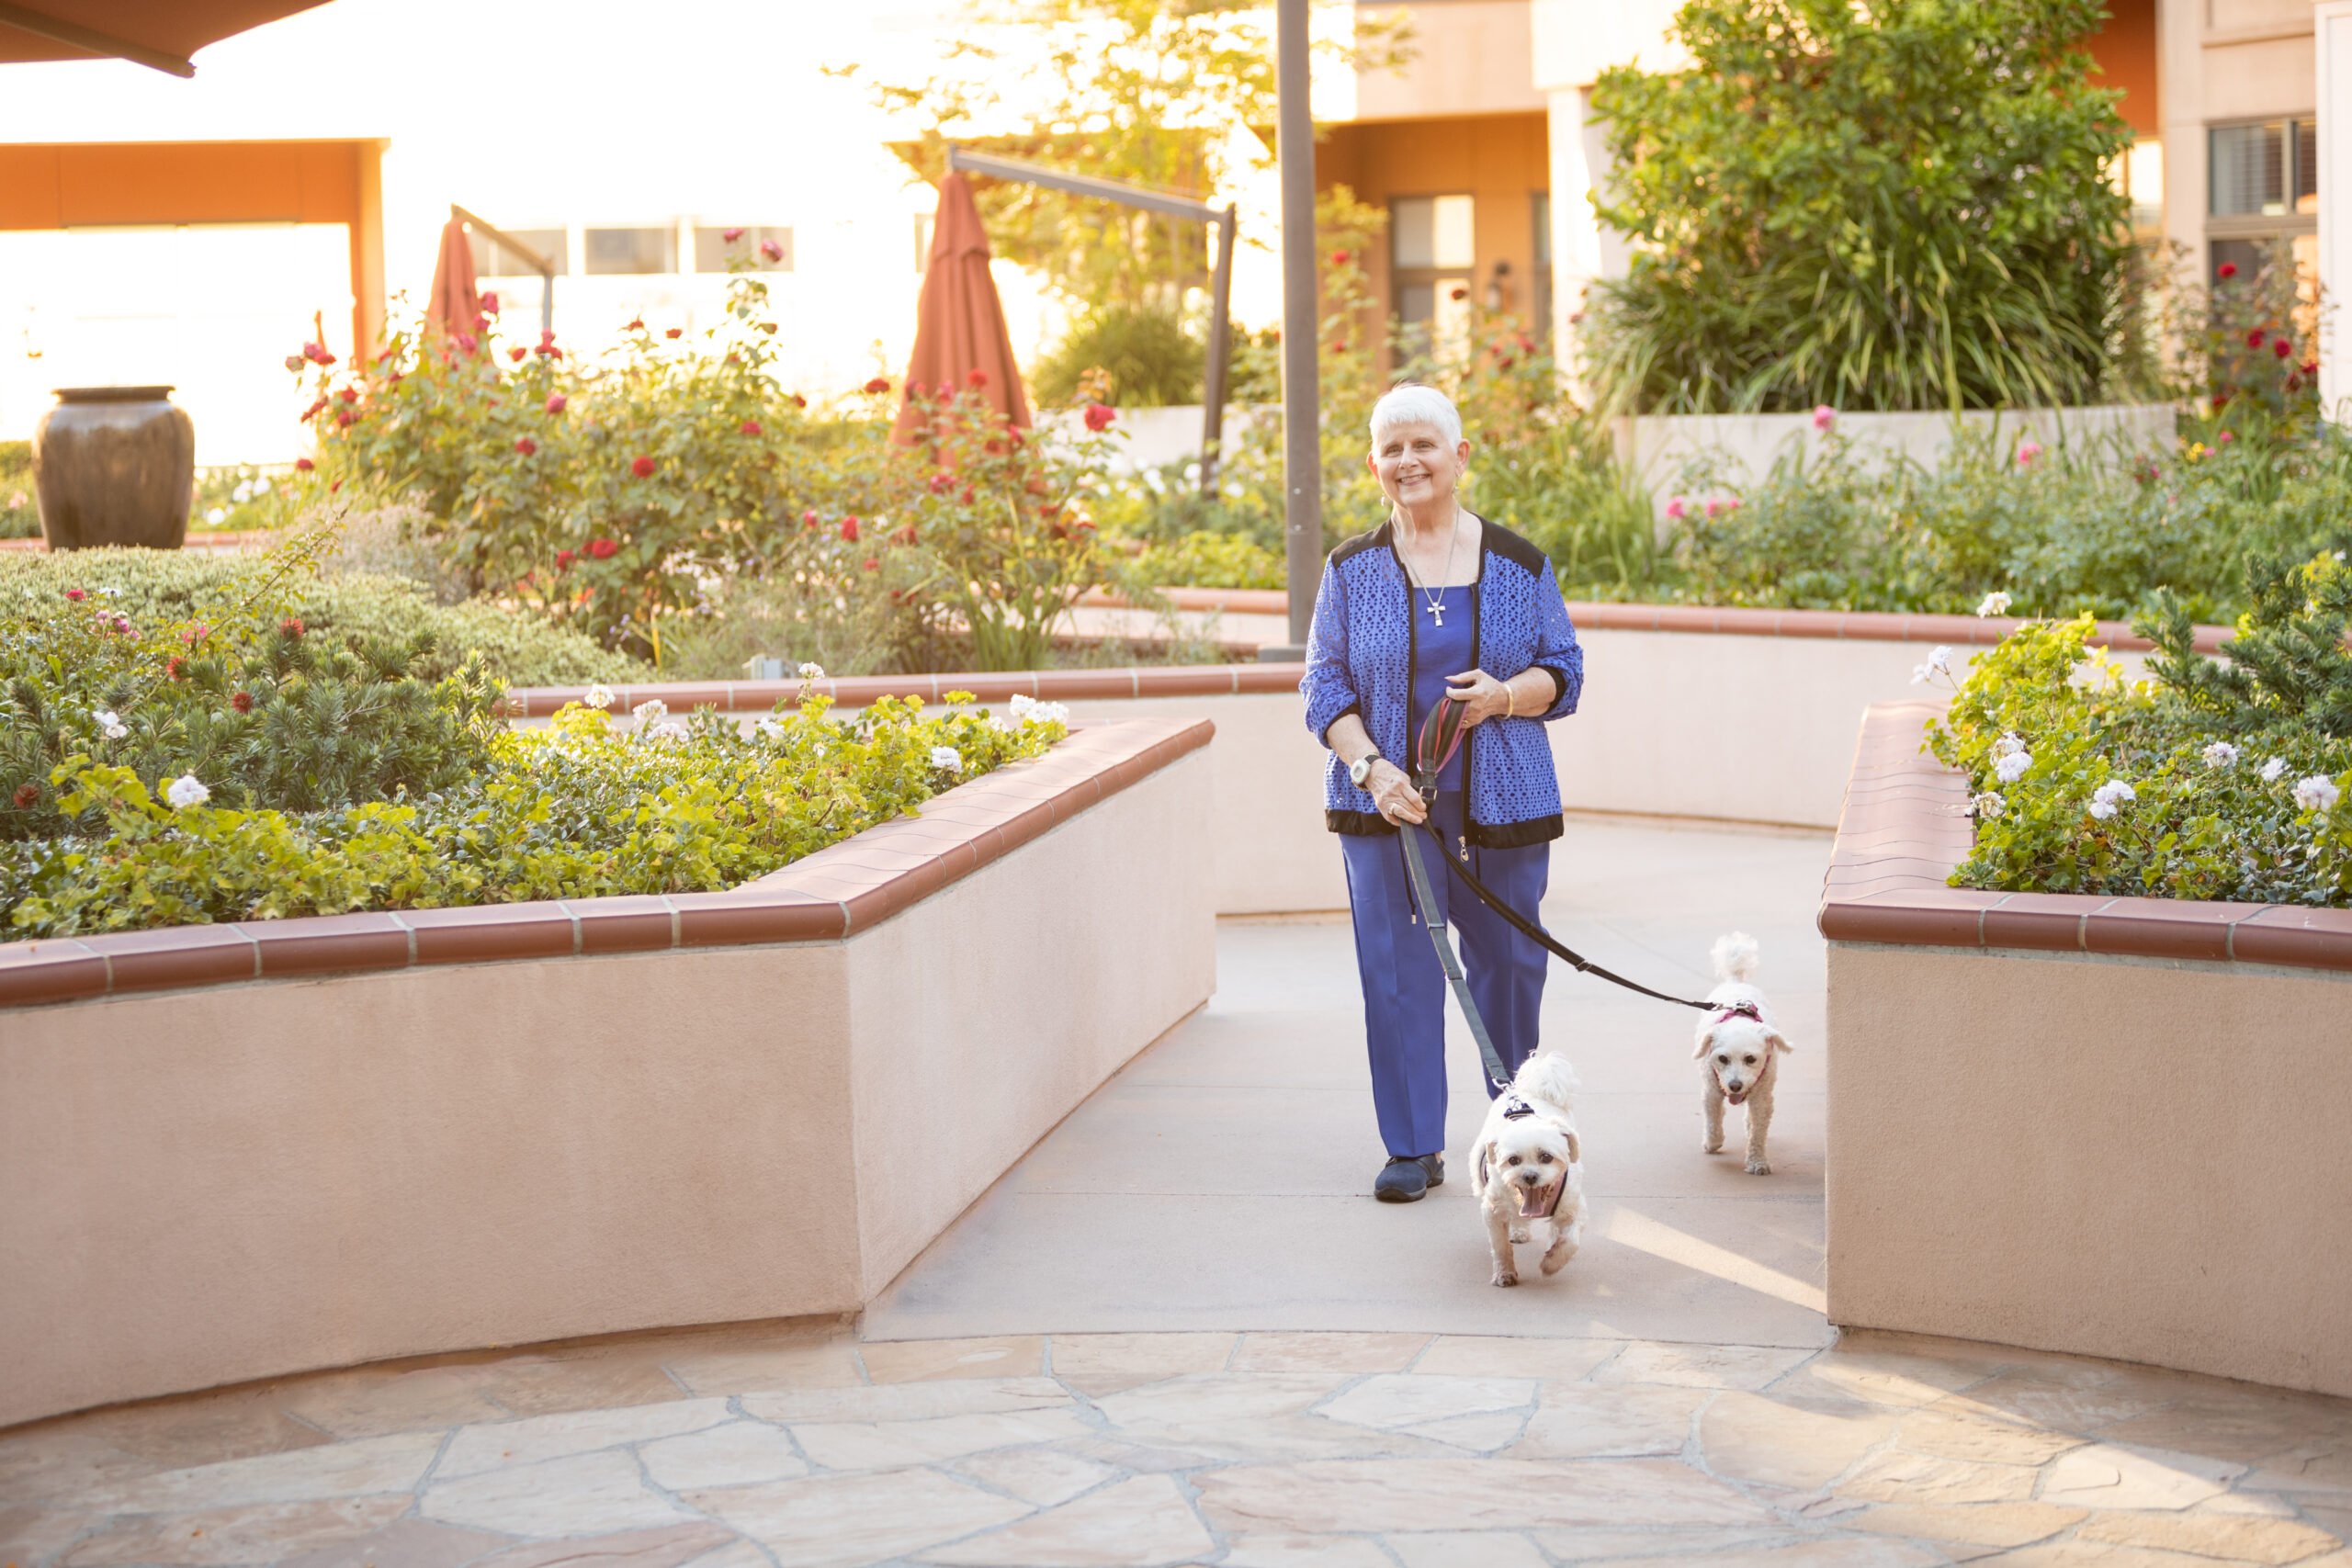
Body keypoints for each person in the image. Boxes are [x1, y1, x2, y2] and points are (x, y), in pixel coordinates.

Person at [1301, 383, 1586, 1202]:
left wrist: (1501, 695)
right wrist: (1371, 768)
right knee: (1396, 973)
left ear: (1459, 457)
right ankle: (1414, 1144)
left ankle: (1514, 1131)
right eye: (1391, 449)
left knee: (1509, 965)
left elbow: (1563, 672)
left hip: (1502, 801)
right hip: (1386, 807)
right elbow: (1323, 685)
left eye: (1423, 444)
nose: (1407, 461)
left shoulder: (1520, 562)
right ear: (1374, 465)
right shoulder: (1350, 568)